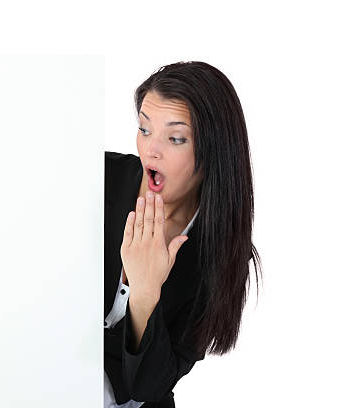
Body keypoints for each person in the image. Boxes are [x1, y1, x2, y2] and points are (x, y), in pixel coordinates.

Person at [104, 61, 262, 407]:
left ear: (212, 153)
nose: (151, 150)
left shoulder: (221, 255)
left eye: (175, 138)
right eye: (144, 130)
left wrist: (145, 293)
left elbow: (149, 387)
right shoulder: (99, 177)